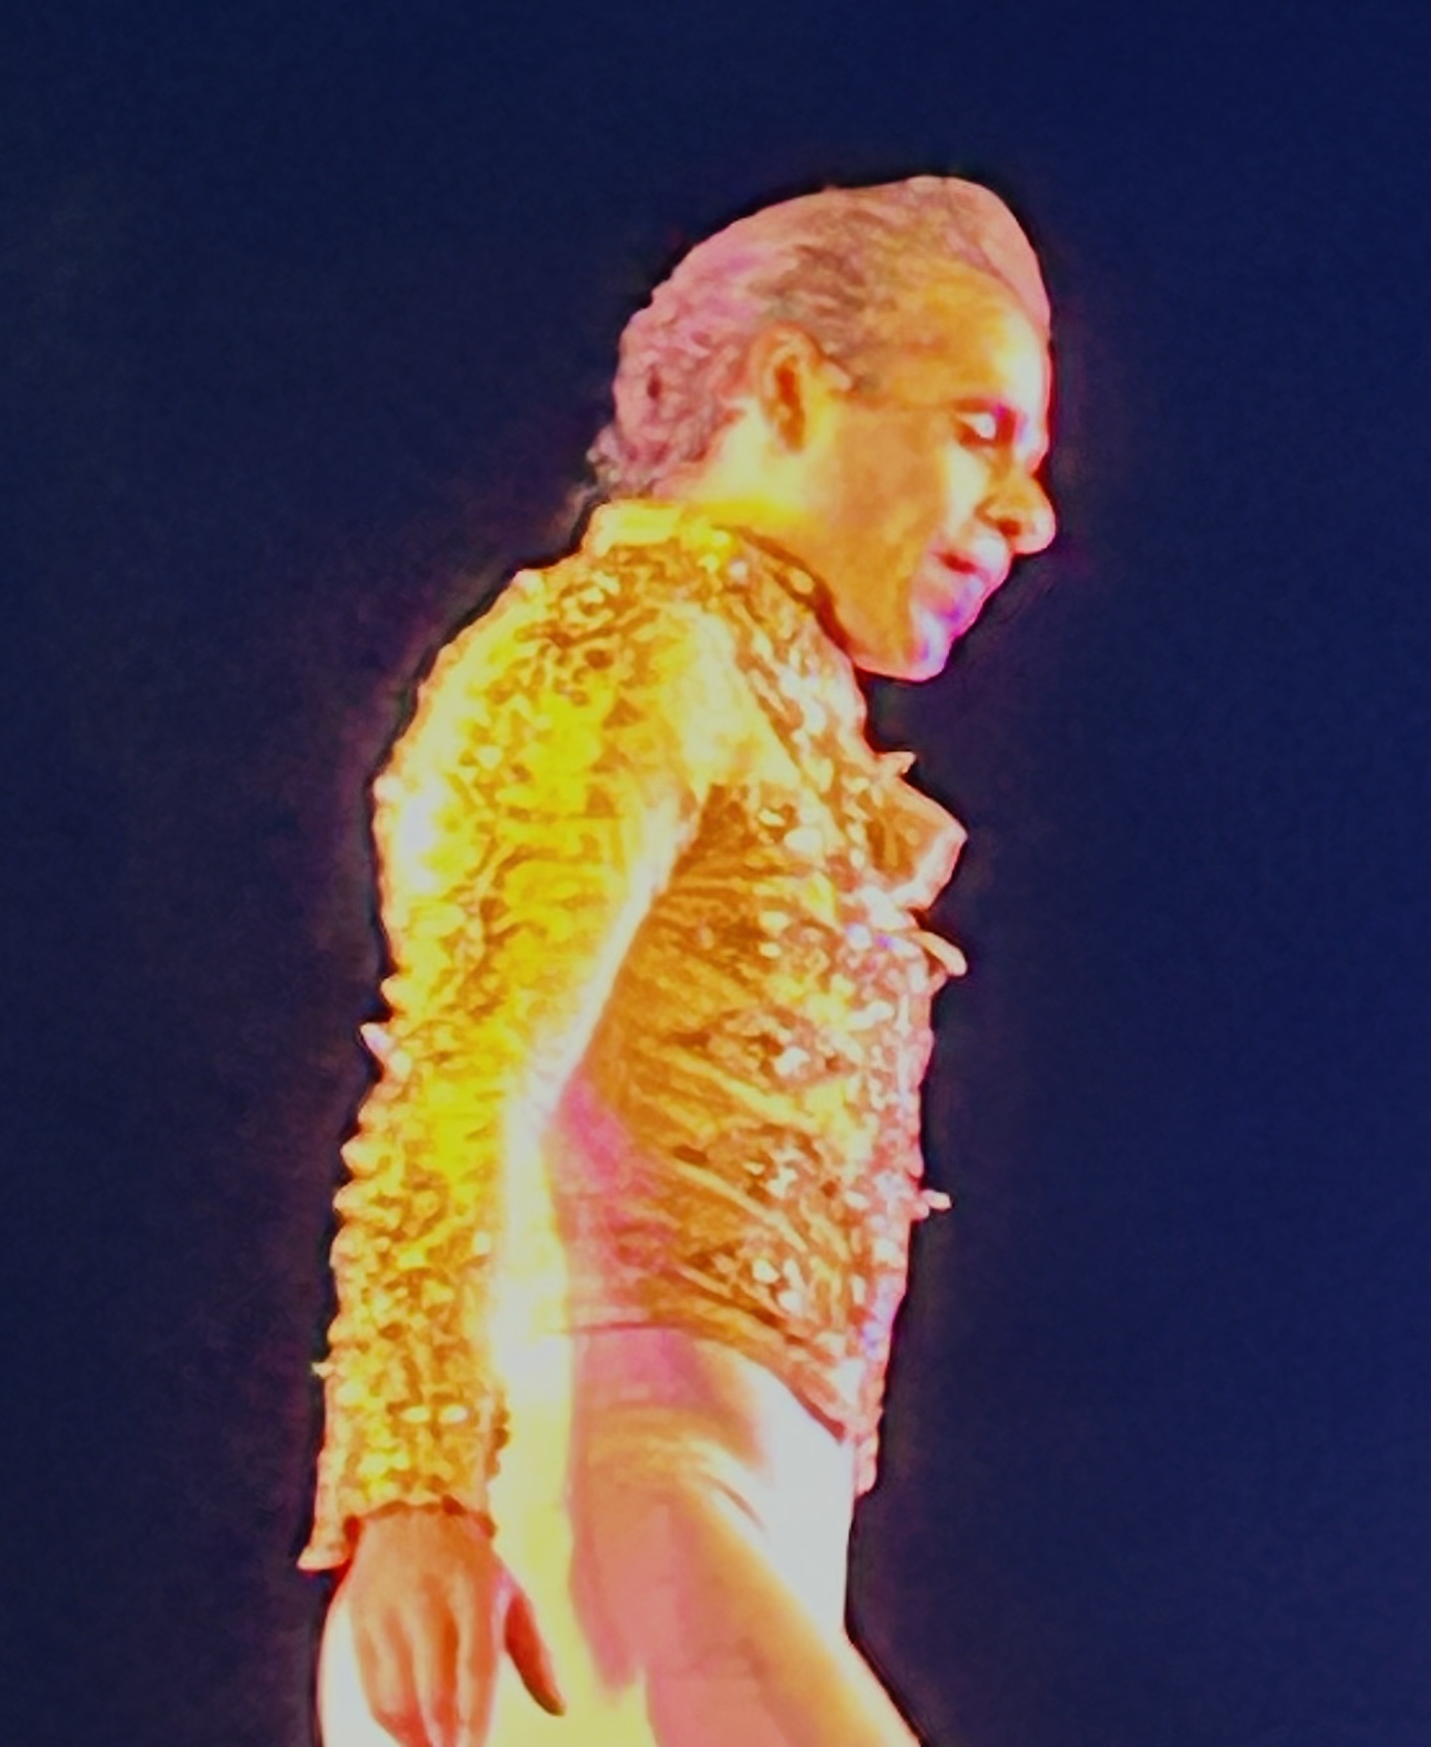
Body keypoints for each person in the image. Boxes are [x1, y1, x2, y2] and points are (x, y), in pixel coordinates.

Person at [306, 175, 1057, 1747]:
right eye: (979, 431)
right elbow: (465, 1070)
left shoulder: (756, 691)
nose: (1027, 513)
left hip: (706, 1540)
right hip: (583, 1544)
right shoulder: (630, 645)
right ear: (790, 391)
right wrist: (413, 1485)